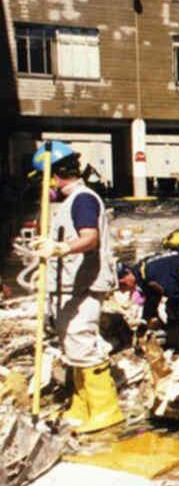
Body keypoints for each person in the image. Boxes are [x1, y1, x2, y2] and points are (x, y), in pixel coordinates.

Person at [30, 141, 122, 433]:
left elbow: (89, 238)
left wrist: (61, 247)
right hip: (71, 286)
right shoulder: (71, 202)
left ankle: (106, 409)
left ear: (54, 177)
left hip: (85, 284)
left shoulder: (82, 199)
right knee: (71, 345)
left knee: (81, 343)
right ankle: (82, 406)